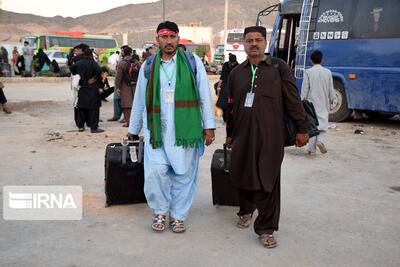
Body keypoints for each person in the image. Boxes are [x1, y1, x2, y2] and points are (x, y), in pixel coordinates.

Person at [128, 21, 216, 233]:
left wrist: (209, 126)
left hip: (185, 131)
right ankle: (159, 210)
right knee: (156, 172)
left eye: (172, 37)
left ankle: (178, 215)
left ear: (178, 39)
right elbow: (140, 99)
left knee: (183, 174)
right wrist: (133, 129)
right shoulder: (148, 66)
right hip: (156, 130)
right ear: (157, 40)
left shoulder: (193, 62)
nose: (168, 41)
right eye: (164, 37)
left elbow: (204, 95)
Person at [226, 26, 309, 248]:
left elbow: (293, 99)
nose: (254, 44)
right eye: (249, 40)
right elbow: (231, 108)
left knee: (268, 179)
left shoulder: (278, 67)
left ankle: (266, 228)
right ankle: (245, 210)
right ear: (244, 44)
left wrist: (302, 127)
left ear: (266, 42)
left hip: (271, 137)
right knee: (241, 172)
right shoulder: (236, 73)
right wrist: (230, 134)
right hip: (243, 135)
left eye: (258, 40)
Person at [301, 50, 334, 155]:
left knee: (312, 126)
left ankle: (311, 149)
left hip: (311, 103)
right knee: (323, 126)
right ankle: (321, 141)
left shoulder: (308, 72)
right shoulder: (328, 72)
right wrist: (332, 99)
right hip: (324, 101)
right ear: (322, 60)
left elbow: (304, 89)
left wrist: (302, 101)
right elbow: (330, 89)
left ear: (311, 61)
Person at [70, 47, 104, 133]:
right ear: (91, 54)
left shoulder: (78, 63)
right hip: (93, 88)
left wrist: (80, 77)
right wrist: (96, 80)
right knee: (94, 109)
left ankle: (81, 126)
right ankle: (93, 128)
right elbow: (100, 73)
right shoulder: (94, 64)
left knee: (81, 107)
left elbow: (72, 70)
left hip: (82, 87)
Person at [115, 46, 139, 127]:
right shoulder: (136, 62)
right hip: (135, 85)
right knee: (134, 104)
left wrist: (117, 87)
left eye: (122, 51)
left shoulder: (122, 63)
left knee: (126, 104)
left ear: (124, 53)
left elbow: (118, 77)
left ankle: (129, 122)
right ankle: (135, 122)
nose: (121, 53)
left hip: (125, 85)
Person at [216, 53, 239, 122]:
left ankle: (230, 118)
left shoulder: (238, 66)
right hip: (225, 85)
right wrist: (218, 87)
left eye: (233, 63)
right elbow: (222, 77)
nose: (232, 64)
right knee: (224, 103)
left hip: (234, 86)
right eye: (231, 63)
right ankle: (225, 118)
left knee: (232, 103)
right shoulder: (226, 65)